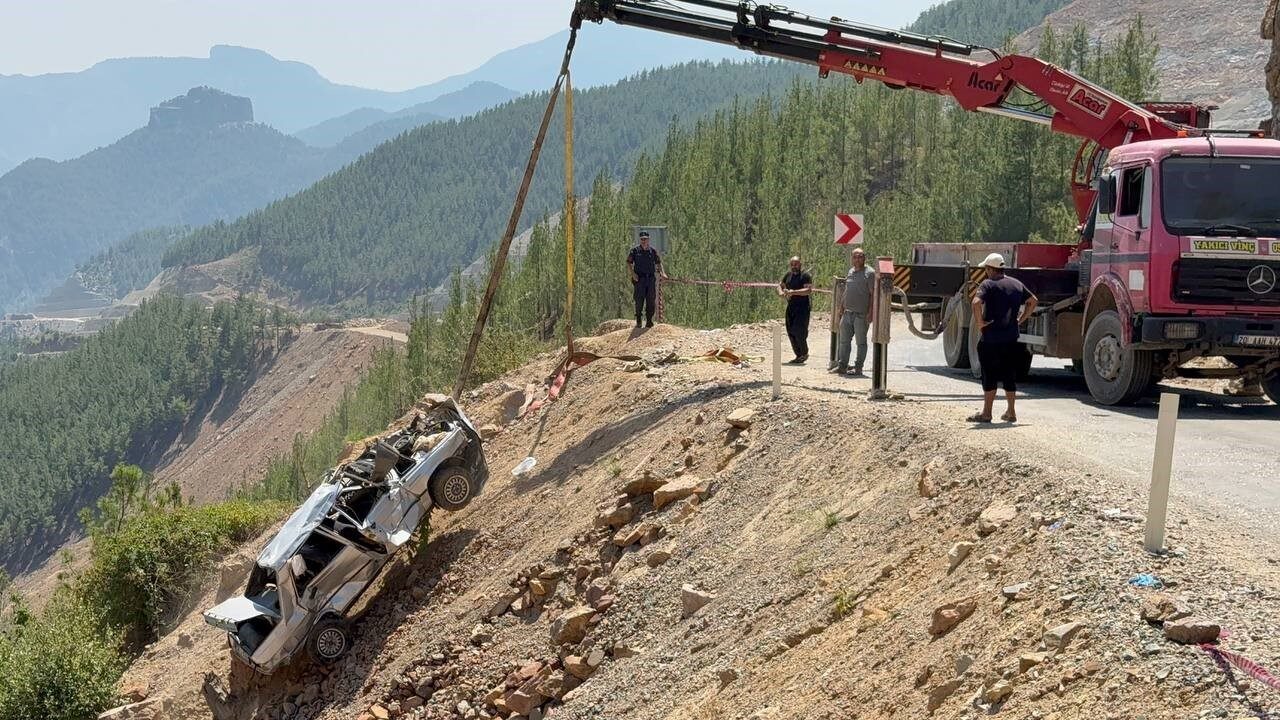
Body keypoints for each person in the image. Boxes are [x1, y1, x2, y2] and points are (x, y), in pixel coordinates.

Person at [968, 253, 1038, 424]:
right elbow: (1033, 301)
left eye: (986, 269)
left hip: (991, 338)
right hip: (1011, 338)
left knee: (989, 375)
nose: (985, 272)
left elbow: (976, 303)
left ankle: (987, 413)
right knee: (1009, 375)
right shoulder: (1016, 283)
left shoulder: (988, 284)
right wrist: (1021, 319)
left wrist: (980, 323)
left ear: (991, 269)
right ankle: (1011, 412)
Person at [832, 248, 874, 376]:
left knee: (860, 342)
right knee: (844, 341)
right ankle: (842, 366)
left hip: (861, 315)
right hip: (847, 313)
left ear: (864, 258)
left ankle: (858, 367)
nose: (857, 259)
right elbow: (847, 290)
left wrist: (871, 313)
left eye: (860, 256)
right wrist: (841, 307)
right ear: (852, 258)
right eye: (855, 257)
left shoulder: (870, 273)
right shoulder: (850, 271)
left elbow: (873, 295)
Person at [778, 256, 813, 364]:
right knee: (790, 331)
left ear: (800, 264)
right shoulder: (788, 275)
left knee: (799, 331)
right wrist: (781, 292)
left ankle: (804, 353)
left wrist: (793, 292)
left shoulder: (805, 276)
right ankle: (798, 355)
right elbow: (780, 285)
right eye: (792, 264)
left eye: (796, 264)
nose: (794, 266)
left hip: (802, 308)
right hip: (791, 307)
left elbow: (808, 290)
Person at [627, 231, 665, 328]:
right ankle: (639, 319)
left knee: (651, 300)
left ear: (648, 239)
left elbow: (658, 262)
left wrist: (663, 273)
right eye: (642, 239)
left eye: (645, 239)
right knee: (639, 300)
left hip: (650, 279)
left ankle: (649, 320)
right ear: (640, 240)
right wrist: (633, 273)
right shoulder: (635, 251)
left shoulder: (653, 251)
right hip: (639, 279)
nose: (644, 241)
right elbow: (629, 263)